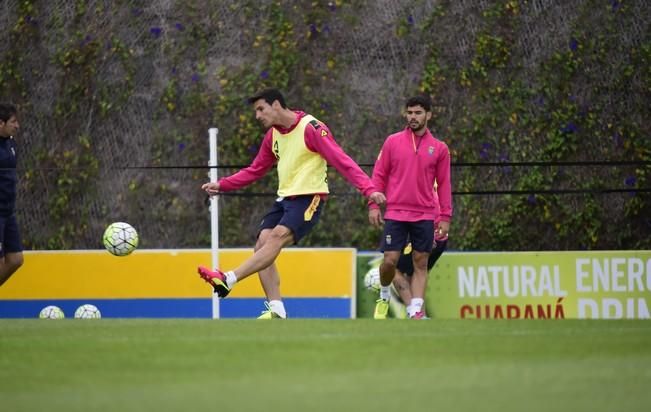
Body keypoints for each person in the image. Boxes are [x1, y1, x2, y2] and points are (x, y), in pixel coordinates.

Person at [198, 88, 385, 319]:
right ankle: (276, 309)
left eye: (261, 109)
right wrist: (223, 185)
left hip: (309, 197)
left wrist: (369, 190)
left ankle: (228, 279)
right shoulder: (273, 136)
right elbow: (255, 170)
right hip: (284, 199)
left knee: (275, 238)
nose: (257, 115)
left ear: (276, 105)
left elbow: (342, 160)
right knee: (262, 243)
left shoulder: (312, 128)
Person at [368, 95, 452, 319]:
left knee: (420, 262)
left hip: (425, 214)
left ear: (428, 115)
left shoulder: (440, 148)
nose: (413, 117)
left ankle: (415, 310)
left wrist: (445, 216)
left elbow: (444, 184)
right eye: (410, 112)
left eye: (418, 113)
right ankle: (384, 293)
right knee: (390, 262)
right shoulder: (392, 141)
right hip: (395, 212)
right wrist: (373, 205)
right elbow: (379, 175)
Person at [390, 230, 448, 318]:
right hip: (440, 238)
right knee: (416, 273)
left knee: (392, 268)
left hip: (425, 235)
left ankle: (414, 313)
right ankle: (420, 314)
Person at [0, 103, 24, 287]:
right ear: (1, 123)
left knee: (16, 259)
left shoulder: (10, 144)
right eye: (13, 122)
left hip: (8, 212)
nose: (17, 126)